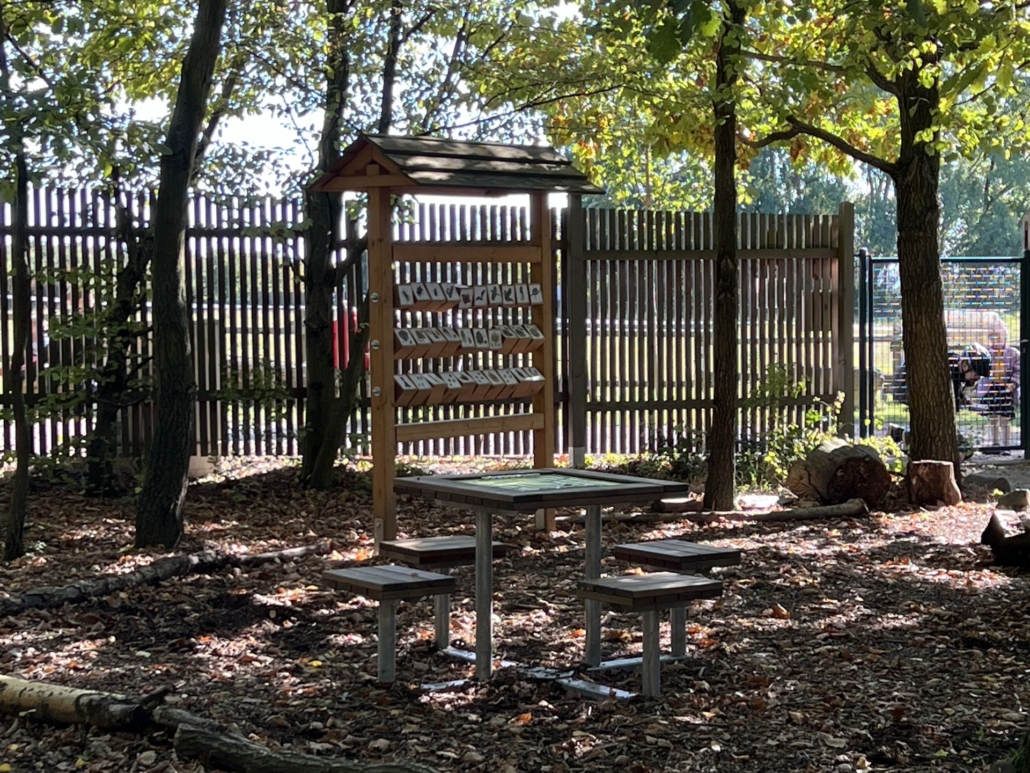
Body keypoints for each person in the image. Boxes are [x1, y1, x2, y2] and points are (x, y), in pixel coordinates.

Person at [979, 325, 1021, 448]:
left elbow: (1019, 371)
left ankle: (1006, 445)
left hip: (1007, 388)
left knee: (1005, 418)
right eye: (992, 337)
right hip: (991, 388)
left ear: (1005, 337)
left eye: (998, 337)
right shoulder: (985, 352)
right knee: (993, 417)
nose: (995, 340)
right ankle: (995, 443)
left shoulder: (1013, 353)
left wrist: (1013, 384)